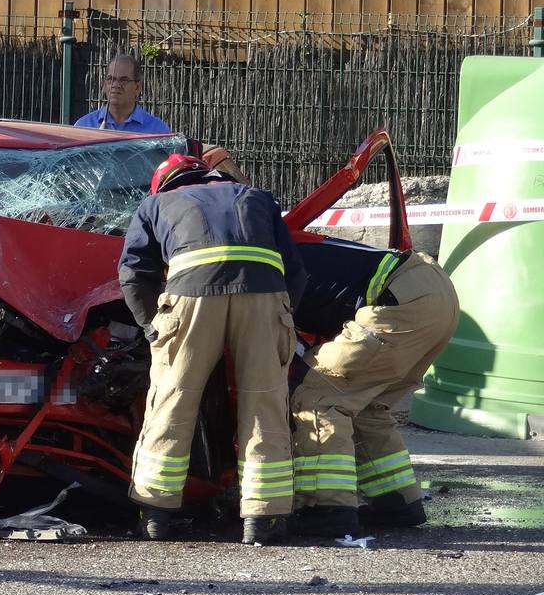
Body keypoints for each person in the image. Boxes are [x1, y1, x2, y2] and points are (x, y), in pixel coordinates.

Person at [119, 153, 306, 545]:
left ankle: (157, 515)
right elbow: (296, 270)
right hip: (264, 294)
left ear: (166, 183)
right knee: (264, 401)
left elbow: (134, 273)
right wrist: (281, 318)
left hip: (190, 294)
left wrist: (152, 326)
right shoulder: (257, 196)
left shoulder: (155, 204)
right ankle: (263, 519)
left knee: (173, 399)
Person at [287, 238, 459, 538]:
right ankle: (396, 501)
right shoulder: (285, 252)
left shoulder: (258, 276)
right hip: (434, 293)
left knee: (317, 394)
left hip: (399, 301)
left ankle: (326, 508)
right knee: (366, 404)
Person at [75, 53, 171, 133]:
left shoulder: (157, 131)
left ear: (137, 87)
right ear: (103, 85)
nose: (115, 85)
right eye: (110, 79)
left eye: (124, 80)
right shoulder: (84, 127)